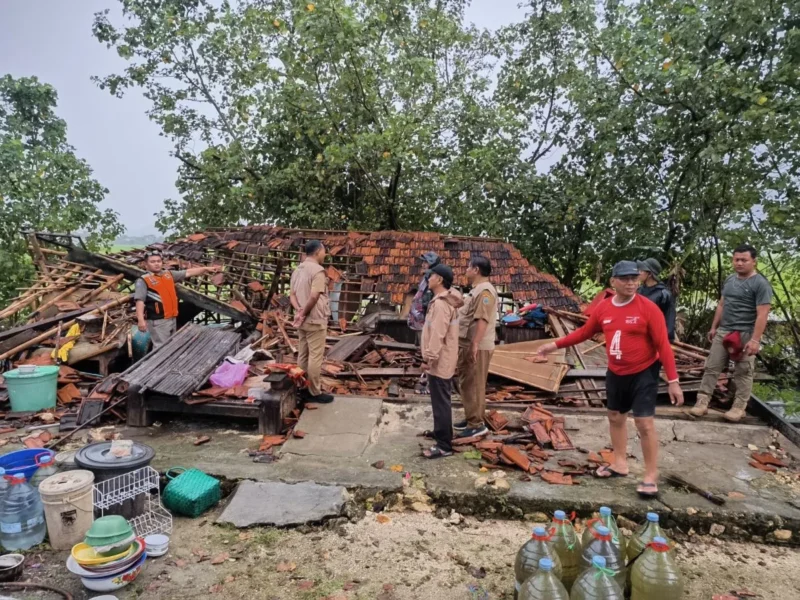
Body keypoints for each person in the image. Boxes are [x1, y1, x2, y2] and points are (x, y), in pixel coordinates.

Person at [537, 260, 683, 498]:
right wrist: (551, 346)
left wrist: (674, 381)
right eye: (625, 279)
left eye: (634, 278)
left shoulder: (648, 308)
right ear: (612, 282)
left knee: (644, 423)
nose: (631, 283)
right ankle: (619, 463)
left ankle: (650, 475)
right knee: (615, 417)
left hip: (644, 371)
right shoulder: (604, 307)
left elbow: (663, 346)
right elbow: (584, 333)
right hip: (616, 371)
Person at [689, 244, 773, 422]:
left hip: (746, 332)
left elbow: (763, 313)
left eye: (744, 260)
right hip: (724, 331)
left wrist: (755, 340)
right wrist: (714, 327)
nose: (740, 263)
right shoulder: (729, 280)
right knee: (712, 367)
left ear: (754, 262)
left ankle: (739, 407)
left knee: (743, 371)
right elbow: (721, 304)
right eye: (737, 259)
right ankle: (702, 402)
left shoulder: (760, 284)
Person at [135, 250, 221, 350]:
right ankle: (161, 365)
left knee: (170, 346)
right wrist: (141, 320)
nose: (156, 264)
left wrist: (206, 269)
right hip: (158, 320)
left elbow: (188, 272)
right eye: (153, 262)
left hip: (172, 317)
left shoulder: (168, 275)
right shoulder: (143, 280)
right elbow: (139, 301)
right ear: (146, 264)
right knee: (160, 348)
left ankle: (167, 364)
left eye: (158, 261)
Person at [420, 264, 464, 459]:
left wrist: (429, 358)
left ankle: (444, 445)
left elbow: (438, 334)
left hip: (439, 360)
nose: (428, 278)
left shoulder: (440, 304)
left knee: (441, 403)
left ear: (439, 280)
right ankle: (441, 434)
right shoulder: (443, 302)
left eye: (431, 276)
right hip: (442, 358)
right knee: (440, 400)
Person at [454, 256, 498, 439]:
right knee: (467, 382)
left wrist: (475, 344)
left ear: (476, 270)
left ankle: (476, 424)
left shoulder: (485, 292)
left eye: (468, 267)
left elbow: (482, 319)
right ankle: (471, 416)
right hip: (468, 343)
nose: (466, 270)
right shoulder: (476, 290)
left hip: (477, 346)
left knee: (475, 384)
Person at [291, 240, 334, 404]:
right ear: (317, 252)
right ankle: (314, 392)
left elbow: (292, 295)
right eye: (324, 251)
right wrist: (305, 312)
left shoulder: (298, 269)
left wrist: (299, 312)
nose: (325, 254)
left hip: (302, 320)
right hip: (315, 319)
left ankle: (300, 388)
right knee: (315, 357)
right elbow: (315, 296)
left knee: (303, 355)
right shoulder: (318, 271)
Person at [637, 258, 677, 342]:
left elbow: (669, 318)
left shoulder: (664, 294)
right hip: (638, 335)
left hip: (654, 337)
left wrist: (665, 339)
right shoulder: (639, 291)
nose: (638, 273)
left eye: (641, 271)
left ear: (650, 274)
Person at [407, 252, 441, 340]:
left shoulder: (433, 277)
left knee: (425, 346)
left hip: (425, 320)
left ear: (432, 263)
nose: (423, 265)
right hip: (419, 319)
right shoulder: (426, 276)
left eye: (426, 262)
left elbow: (430, 300)